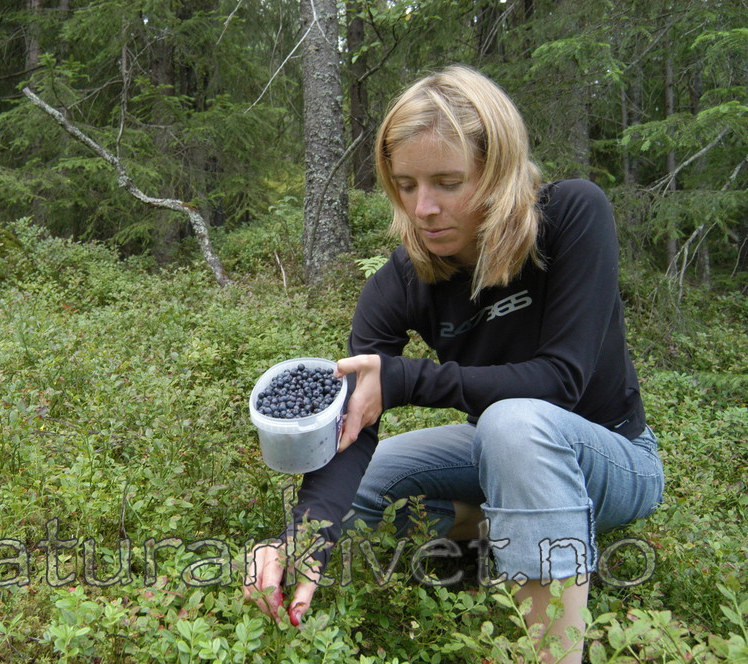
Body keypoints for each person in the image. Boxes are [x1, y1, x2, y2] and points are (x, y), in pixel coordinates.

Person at [243, 65, 665, 663]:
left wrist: (405, 379)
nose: (424, 208)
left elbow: (561, 382)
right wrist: (302, 537)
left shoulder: (571, 215)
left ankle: (555, 651)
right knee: (359, 491)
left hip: (612, 455)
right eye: (406, 184)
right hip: (496, 449)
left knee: (514, 422)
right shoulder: (398, 283)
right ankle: (498, 530)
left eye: (447, 182)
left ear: (498, 170)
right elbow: (356, 424)